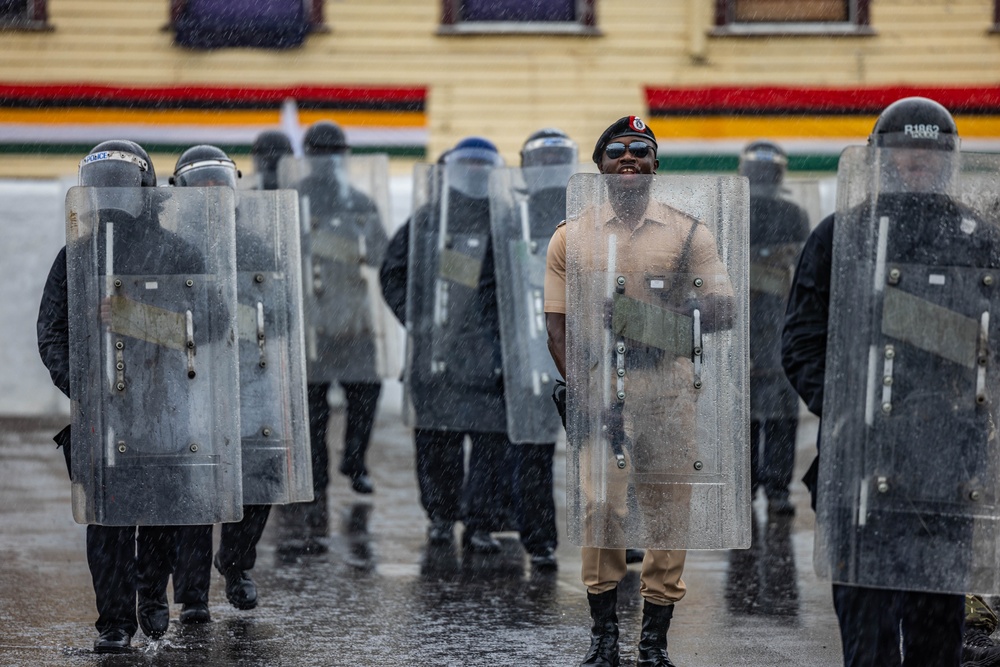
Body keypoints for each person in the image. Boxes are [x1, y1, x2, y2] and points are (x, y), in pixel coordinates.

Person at [782, 97, 1000, 667]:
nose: (918, 160)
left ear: (949, 158)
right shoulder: (841, 236)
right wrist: (851, 411)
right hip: (860, 469)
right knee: (869, 643)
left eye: (932, 149)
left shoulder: (980, 238)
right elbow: (803, 341)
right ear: (882, 156)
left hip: (949, 471)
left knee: (936, 642)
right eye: (907, 147)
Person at [545, 116, 738, 667]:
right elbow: (557, 327)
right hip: (600, 388)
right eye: (617, 151)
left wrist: (652, 322)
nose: (628, 158)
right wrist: (583, 393)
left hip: (668, 389)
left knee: (667, 511)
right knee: (600, 506)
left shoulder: (689, 232)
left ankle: (653, 641)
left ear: (655, 165)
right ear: (600, 165)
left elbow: (722, 310)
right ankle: (604, 637)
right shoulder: (571, 235)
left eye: (640, 151)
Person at [37, 140, 224, 651]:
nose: (109, 199)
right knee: (109, 524)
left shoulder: (179, 251)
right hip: (103, 413)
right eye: (101, 190)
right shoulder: (77, 253)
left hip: (165, 407)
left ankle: (151, 595)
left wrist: (139, 320)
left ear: (143, 191)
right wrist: (83, 388)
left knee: (162, 512)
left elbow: (214, 321)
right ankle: (114, 623)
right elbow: (52, 330)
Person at [168, 144, 303, 622]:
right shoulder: (169, 244)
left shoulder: (253, 244)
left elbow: (283, 313)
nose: (210, 194)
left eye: (217, 184)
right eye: (200, 185)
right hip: (188, 381)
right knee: (196, 485)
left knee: (258, 480)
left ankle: (238, 563)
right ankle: (191, 594)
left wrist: (233, 323)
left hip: (250, 380)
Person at [379, 137, 512, 554]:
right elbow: (392, 272)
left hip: (491, 354)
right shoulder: (428, 220)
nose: (474, 173)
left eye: (481, 166)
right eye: (466, 165)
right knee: (436, 443)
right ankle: (441, 515)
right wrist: (418, 321)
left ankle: (480, 522)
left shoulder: (506, 219)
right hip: (437, 353)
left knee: (492, 447)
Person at [278, 120, 390, 552]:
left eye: (334, 151)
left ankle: (355, 459)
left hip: (353, 317)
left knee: (367, 391)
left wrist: (338, 244)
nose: (328, 160)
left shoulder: (358, 200)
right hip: (311, 321)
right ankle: (317, 477)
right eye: (321, 151)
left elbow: (379, 253)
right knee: (312, 407)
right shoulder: (293, 199)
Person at [488, 128, 578, 570]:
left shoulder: (590, 216)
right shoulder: (511, 217)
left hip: (585, 348)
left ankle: (616, 538)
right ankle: (539, 538)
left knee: (604, 451)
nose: (550, 170)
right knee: (533, 453)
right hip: (532, 346)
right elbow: (493, 289)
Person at [741, 140, 810, 516]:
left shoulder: (792, 214)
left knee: (771, 409)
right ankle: (765, 488)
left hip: (776, 321)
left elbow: (802, 266)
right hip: (756, 321)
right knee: (760, 411)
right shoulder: (735, 211)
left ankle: (762, 487)